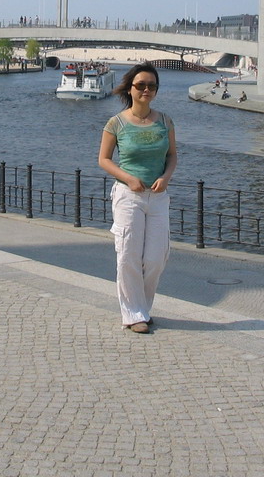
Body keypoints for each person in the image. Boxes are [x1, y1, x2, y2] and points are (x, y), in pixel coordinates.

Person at [98, 63, 177, 336]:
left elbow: (172, 156)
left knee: (157, 257)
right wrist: (129, 178)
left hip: (158, 197)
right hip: (127, 196)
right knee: (128, 255)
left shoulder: (165, 121)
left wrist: (166, 177)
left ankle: (141, 307)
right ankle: (134, 314)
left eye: (151, 86)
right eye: (141, 85)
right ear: (130, 88)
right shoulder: (116, 123)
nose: (146, 90)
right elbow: (104, 160)